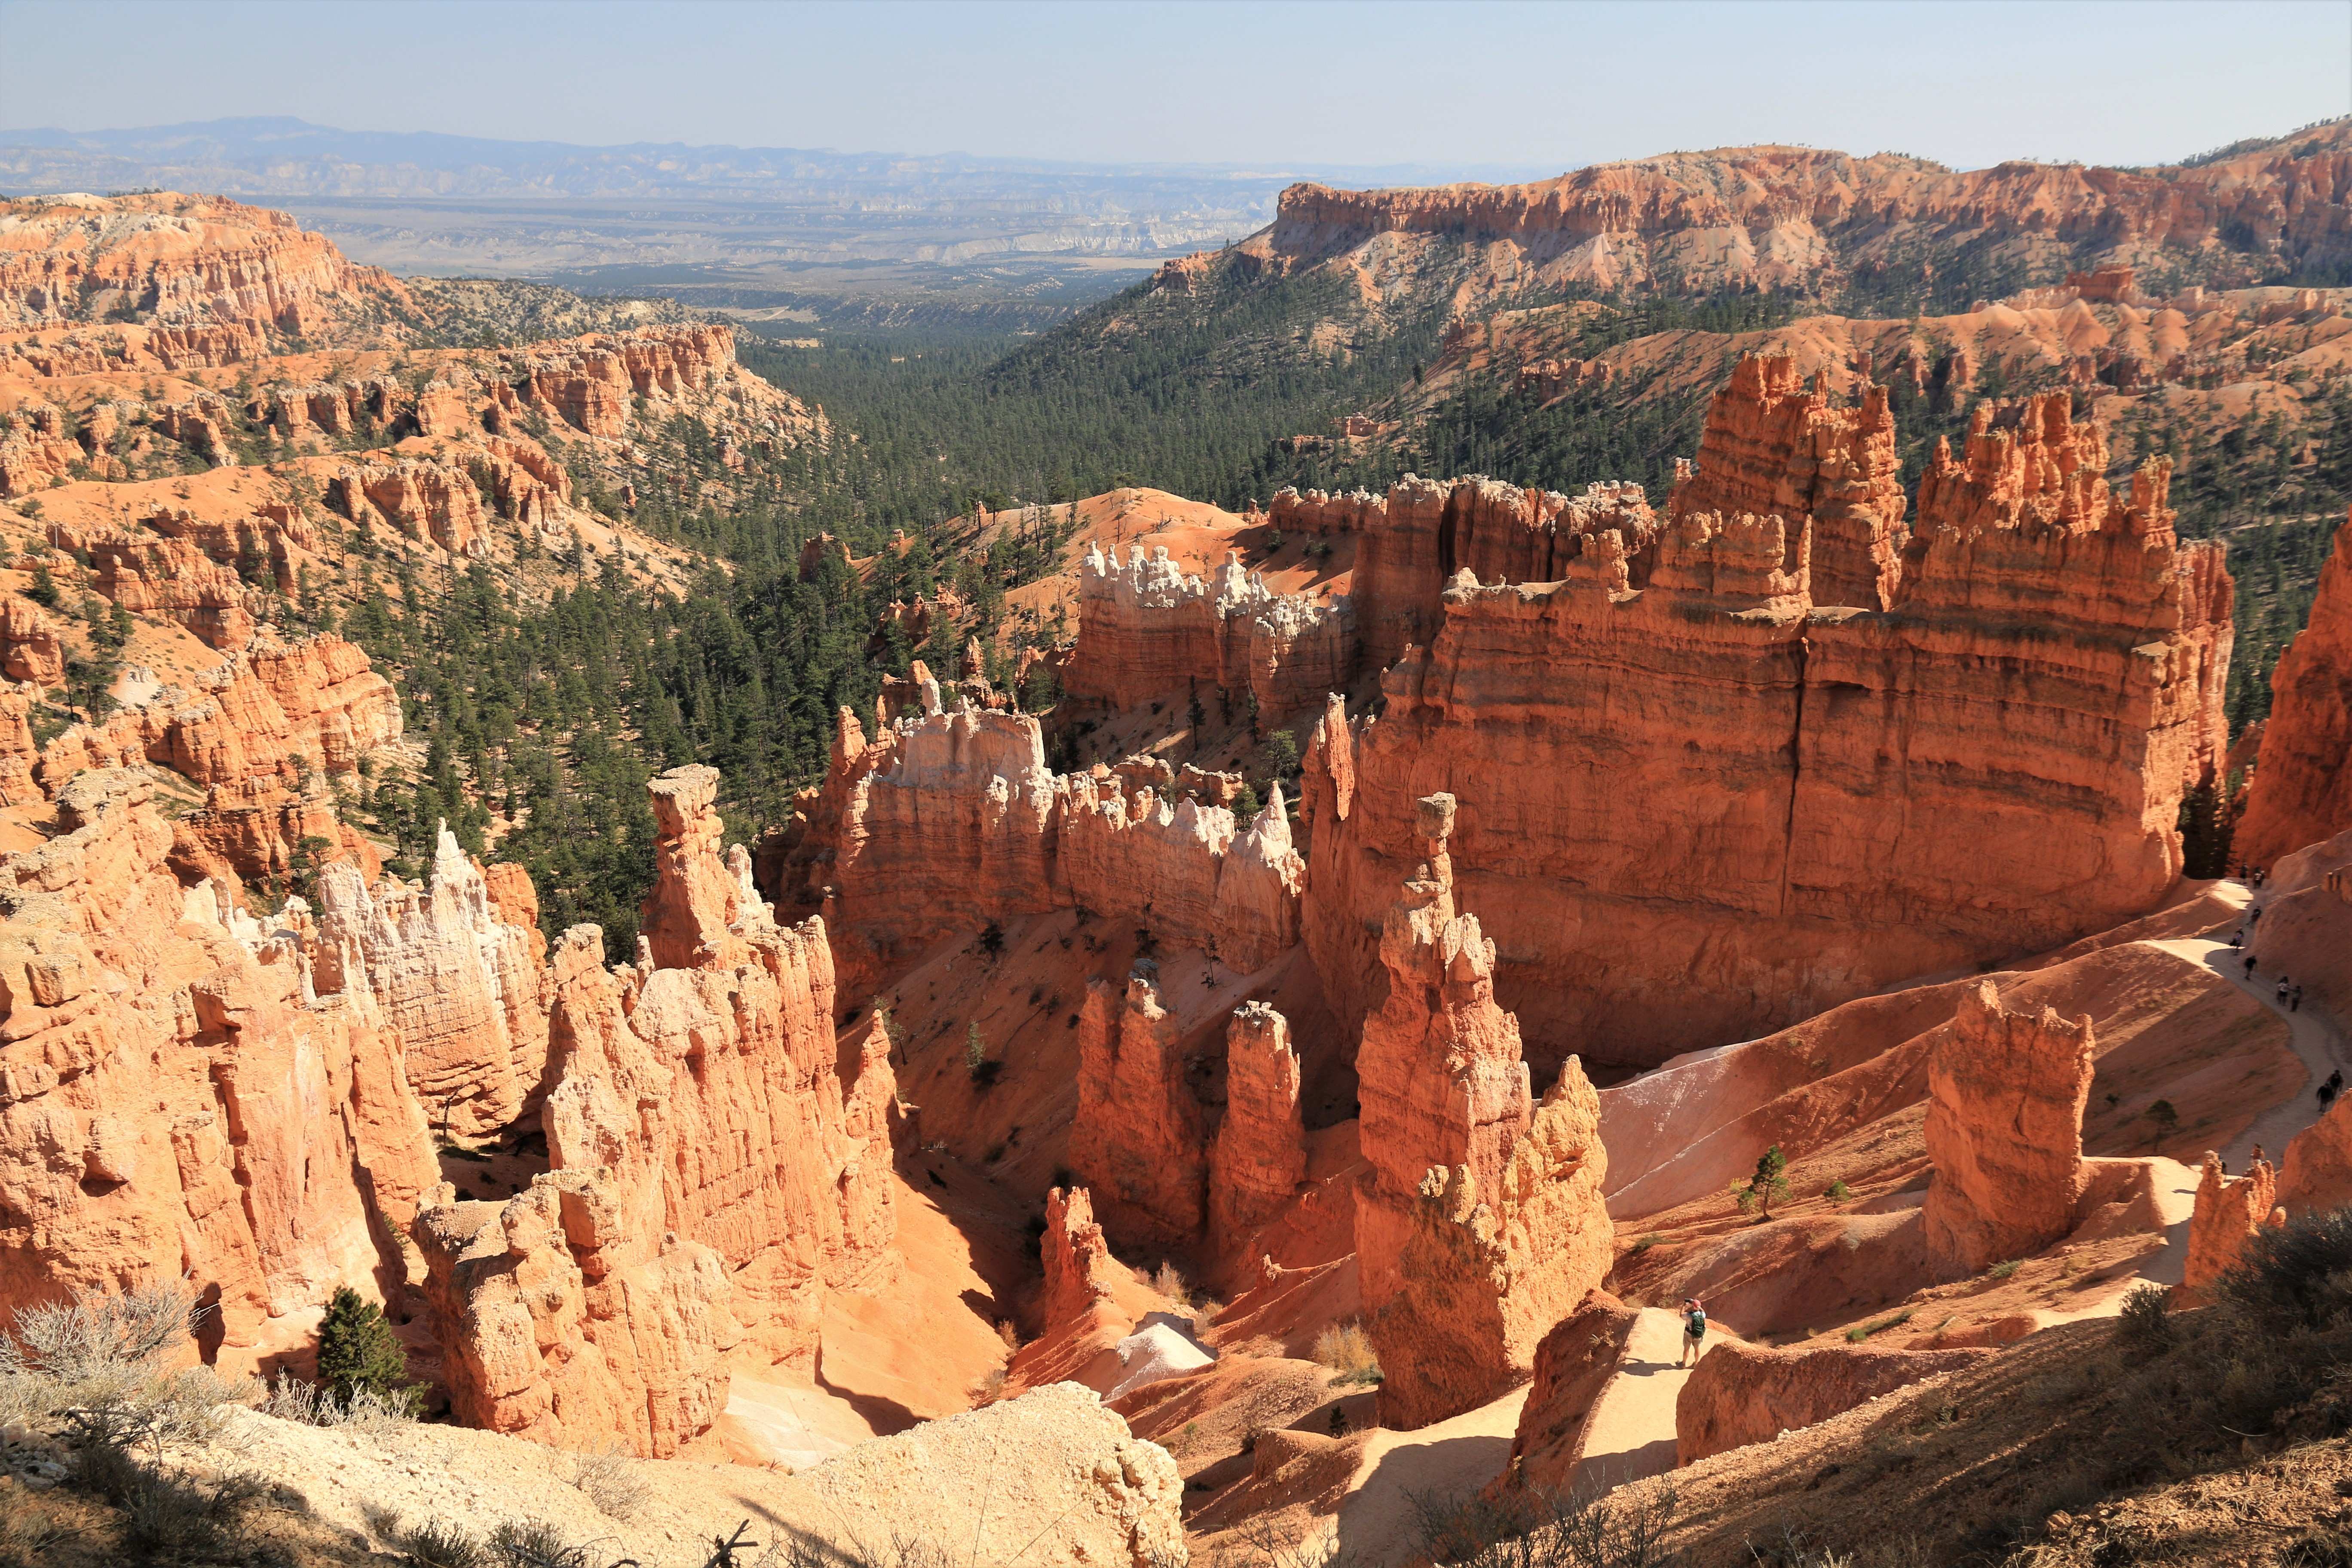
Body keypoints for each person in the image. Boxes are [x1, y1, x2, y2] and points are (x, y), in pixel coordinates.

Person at [1678, 1298, 1708, 1367]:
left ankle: (1683, 1364)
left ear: (1693, 1307)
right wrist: (1699, 1307)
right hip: (1698, 1335)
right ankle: (1696, 1364)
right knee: (1697, 1349)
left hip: (1689, 1334)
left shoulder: (1689, 1315)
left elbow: (1681, 1315)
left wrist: (1684, 1306)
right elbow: (1704, 1312)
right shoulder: (1702, 1314)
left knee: (1686, 1349)